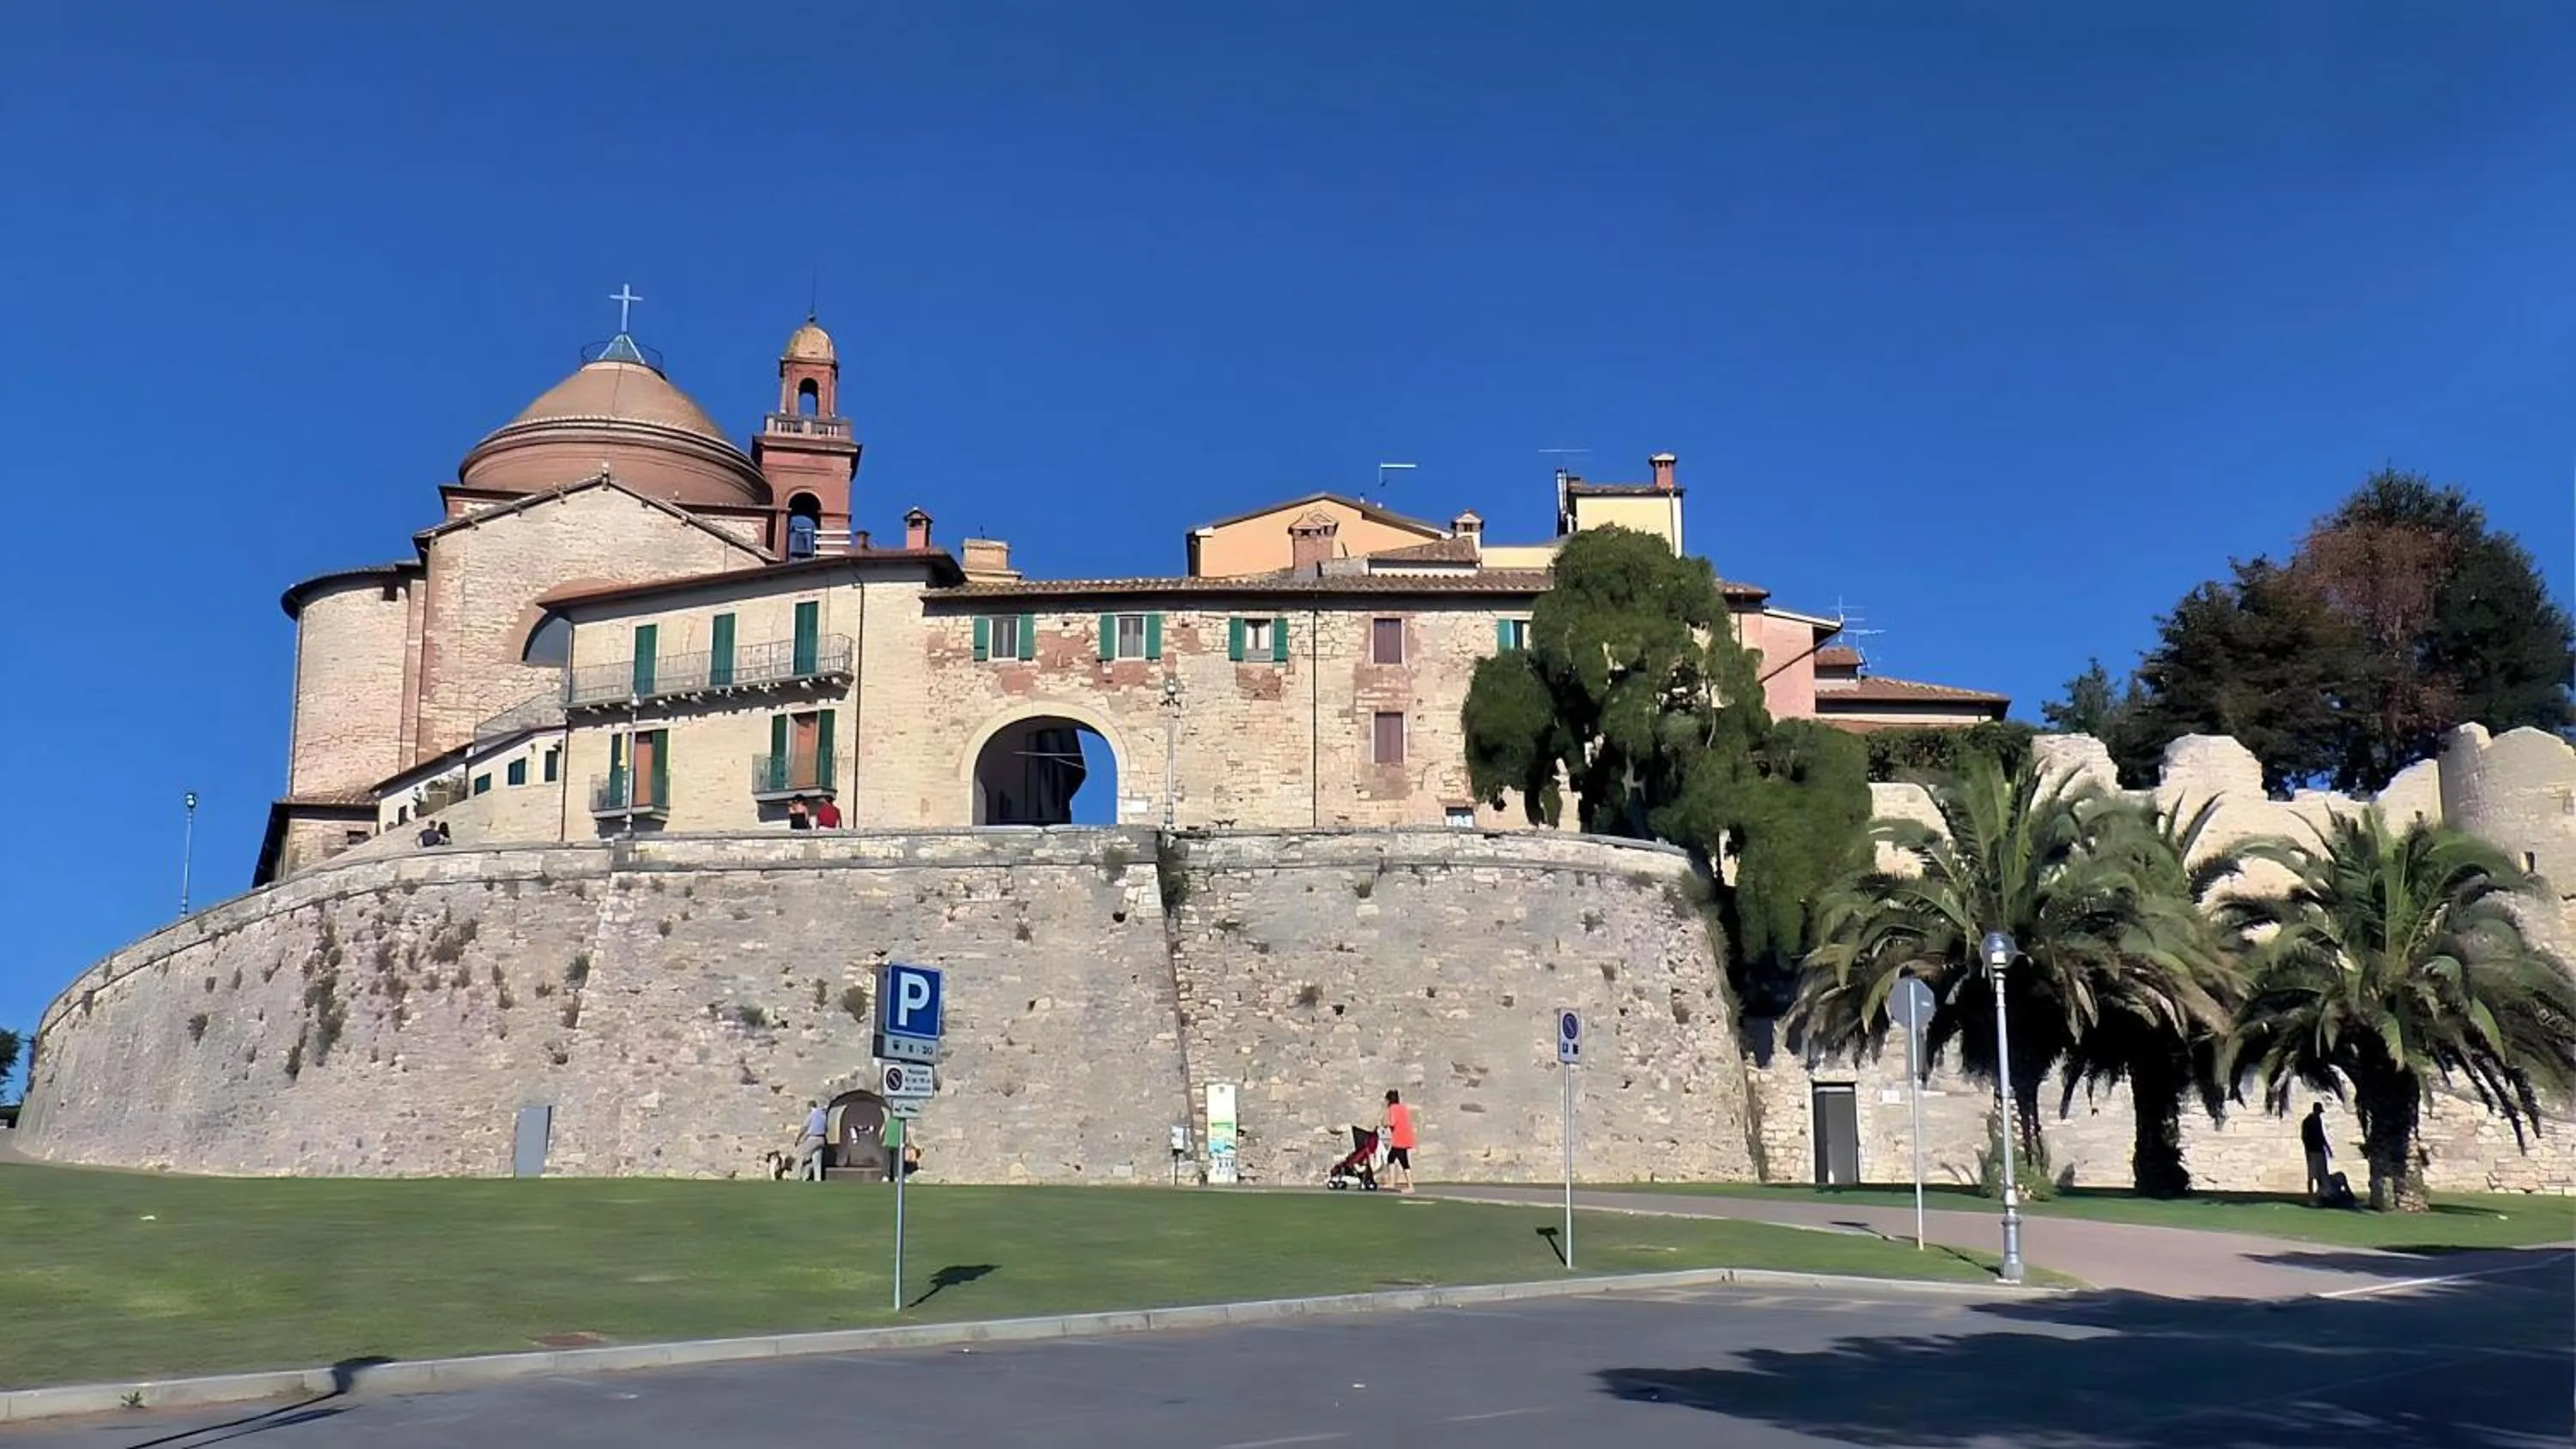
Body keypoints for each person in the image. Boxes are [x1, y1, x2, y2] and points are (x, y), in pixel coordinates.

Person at [1380, 1089, 1417, 1194]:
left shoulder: (1392, 1108)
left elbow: (1392, 1123)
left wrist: (1385, 1123)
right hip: (1406, 1136)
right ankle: (1392, 1182)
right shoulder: (1403, 1108)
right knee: (1391, 1158)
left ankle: (1410, 1186)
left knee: (1403, 1162)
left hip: (1399, 1138)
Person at [2300, 1102, 2332, 1203]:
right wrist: (2308, 1150)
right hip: (2312, 1151)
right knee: (2311, 1174)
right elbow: (2304, 1137)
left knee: (2321, 1174)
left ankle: (2320, 1194)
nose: (2319, 1114)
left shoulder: (2318, 1120)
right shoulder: (2307, 1121)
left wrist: (2327, 1148)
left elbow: (2321, 1135)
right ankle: (2310, 1195)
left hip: (2320, 1150)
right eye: (2318, 1111)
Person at [796, 1100, 829, 1181]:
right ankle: (817, 1179)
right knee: (817, 1160)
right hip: (821, 1139)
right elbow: (826, 1127)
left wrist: (798, 1138)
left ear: (810, 1107)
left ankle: (800, 1176)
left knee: (802, 1156)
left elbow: (804, 1127)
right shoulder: (823, 1114)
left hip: (813, 1138)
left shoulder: (812, 1114)